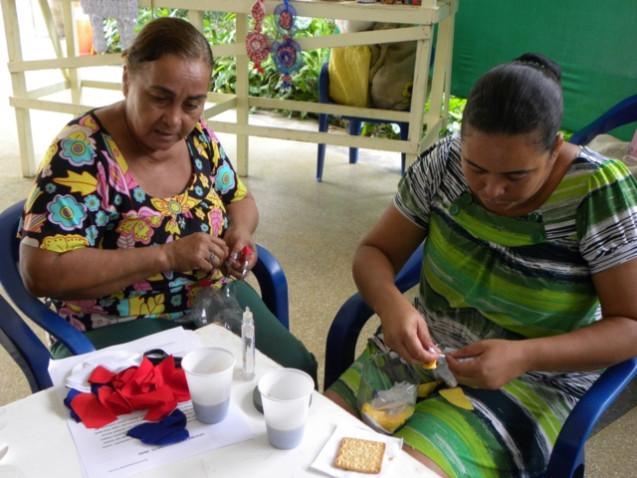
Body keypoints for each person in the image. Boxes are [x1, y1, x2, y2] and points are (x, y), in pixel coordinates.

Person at [325, 52, 637, 477]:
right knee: (319, 442)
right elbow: (374, 252)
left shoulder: (598, 192)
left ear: (556, 149)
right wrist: (391, 305)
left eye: (516, 176)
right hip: (419, 351)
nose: (492, 190)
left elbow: (630, 324)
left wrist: (525, 356)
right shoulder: (443, 164)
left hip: (529, 381)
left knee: (399, 471)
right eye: (477, 167)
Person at [18, 17, 317, 381]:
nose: (174, 120)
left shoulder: (198, 138)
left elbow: (239, 198)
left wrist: (240, 233)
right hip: (113, 319)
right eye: (160, 98)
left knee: (294, 372)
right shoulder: (81, 154)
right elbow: (41, 271)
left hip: (211, 299)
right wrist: (166, 256)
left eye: (193, 104)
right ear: (128, 79)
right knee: (182, 407)